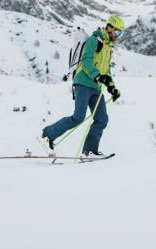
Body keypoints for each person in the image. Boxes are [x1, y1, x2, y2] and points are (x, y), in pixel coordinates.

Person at [41, 15, 125, 156]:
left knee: (102, 119)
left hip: (96, 88)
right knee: (78, 117)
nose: (118, 36)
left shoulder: (107, 47)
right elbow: (86, 61)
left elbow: (106, 70)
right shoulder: (94, 41)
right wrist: (97, 76)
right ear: (110, 28)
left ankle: (90, 151)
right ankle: (47, 134)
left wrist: (112, 87)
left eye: (120, 33)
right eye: (118, 32)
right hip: (84, 83)